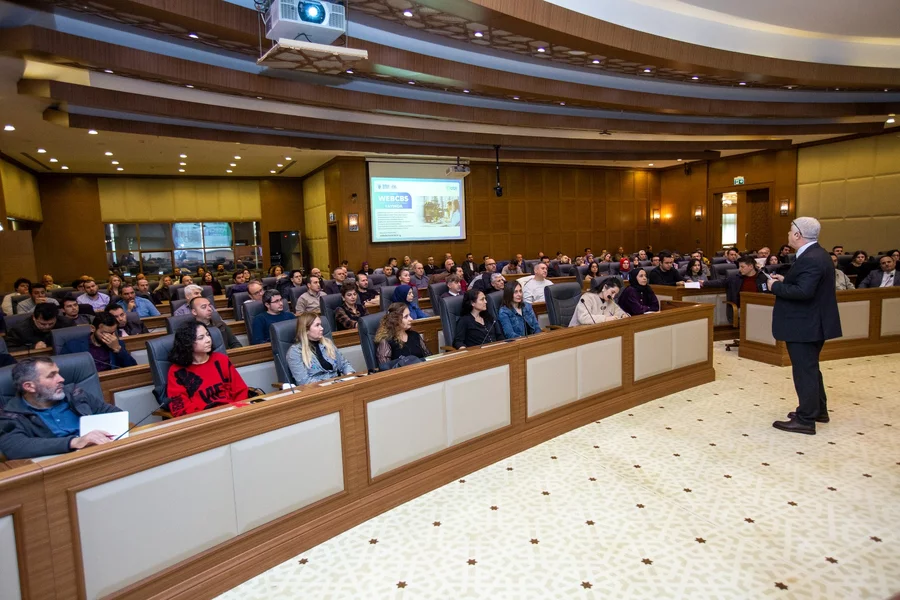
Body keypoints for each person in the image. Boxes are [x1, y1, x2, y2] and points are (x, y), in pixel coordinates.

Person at [769, 217, 842, 435]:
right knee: (810, 368)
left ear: (798, 235)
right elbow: (807, 284)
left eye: (790, 231)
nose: (788, 234)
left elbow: (804, 292)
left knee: (805, 371)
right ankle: (818, 411)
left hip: (805, 324)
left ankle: (805, 419)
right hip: (812, 322)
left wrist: (775, 286)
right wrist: (786, 281)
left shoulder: (811, 258)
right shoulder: (818, 254)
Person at [0, 357, 123, 459]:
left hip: (100, 452)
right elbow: (14, 447)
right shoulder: (10, 414)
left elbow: (116, 414)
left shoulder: (76, 394)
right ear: (29, 387)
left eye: (58, 373)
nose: (61, 379)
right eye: (51, 376)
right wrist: (74, 442)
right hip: (58, 465)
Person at [166, 321, 249, 417]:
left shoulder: (221, 360)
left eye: (208, 335)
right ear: (187, 343)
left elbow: (240, 390)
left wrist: (237, 411)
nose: (208, 340)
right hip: (201, 419)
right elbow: (180, 408)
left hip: (232, 413)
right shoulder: (177, 371)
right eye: (201, 337)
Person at [287, 312, 355, 384]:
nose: (322, 328)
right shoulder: (295, 352)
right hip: (317, 388)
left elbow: (344, 364)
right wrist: (330, 383)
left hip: (338, 384)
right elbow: (304, 381)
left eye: (321, 325)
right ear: (306, 330)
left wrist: (349, 376)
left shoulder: (328, 343)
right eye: (317, 325)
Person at [60, 311, 137, 371]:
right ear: (93, 328)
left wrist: (118, 349)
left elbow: (133, 368)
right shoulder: (72, 346)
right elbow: (64, 370)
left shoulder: (117, 343)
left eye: (112, 333)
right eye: (104, 333)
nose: (109, 337)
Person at [374, 303, 430, 369]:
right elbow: (385, 369)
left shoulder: (415, 335)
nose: (411, 319)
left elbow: (429, 357)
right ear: (395, 320)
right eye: (406, 317)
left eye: (409, 315)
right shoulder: (386, 341)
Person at [5, 302, 75, 350]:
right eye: (42, 324)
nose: (47, 326)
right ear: (34, 318)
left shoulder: (67, 323)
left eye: (51, 324)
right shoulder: (19, 330)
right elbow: (9, 349)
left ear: (56, 318)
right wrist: (32, 347)